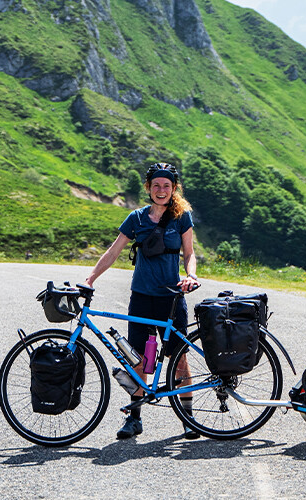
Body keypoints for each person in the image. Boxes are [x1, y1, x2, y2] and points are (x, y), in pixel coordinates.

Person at [82, 162, 201, 440]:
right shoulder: (136, 218)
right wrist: (90, 279)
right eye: (156, 185)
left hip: (171, 299)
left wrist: (191, 275)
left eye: (167, 186)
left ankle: (188, 418)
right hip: (142, 298)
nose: (161, 190)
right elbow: (113, 251)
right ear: (149, 188)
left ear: (174, 189)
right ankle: (134, 419)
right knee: (137, 359)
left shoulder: (182, 217)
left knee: (178, 359)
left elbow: (190, 252)